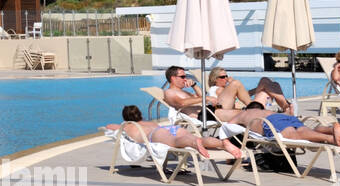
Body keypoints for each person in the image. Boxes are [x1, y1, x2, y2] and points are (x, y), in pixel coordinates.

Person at [106, 104, 242, 159]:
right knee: (191, 137)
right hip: (169, 128)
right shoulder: (150, 123)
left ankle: (195, 142)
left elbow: (109, 126)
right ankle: (222, 143)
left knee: (177, 141)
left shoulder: (127, 126)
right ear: (140, 114)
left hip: (156, 135)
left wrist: (122, 124)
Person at [163, 66, 271, 127]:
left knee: (244, 111)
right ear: (173, 78)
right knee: (245, 114)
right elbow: (181, 103)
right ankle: (258, 111)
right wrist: (206, 98)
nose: (185, 79)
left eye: (185, 76)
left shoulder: (185, 93)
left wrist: (194, 85)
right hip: (205, 115)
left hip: (211, 110)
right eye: (182, 77)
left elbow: (201, 97)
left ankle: (259, 111)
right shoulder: (169, 92)